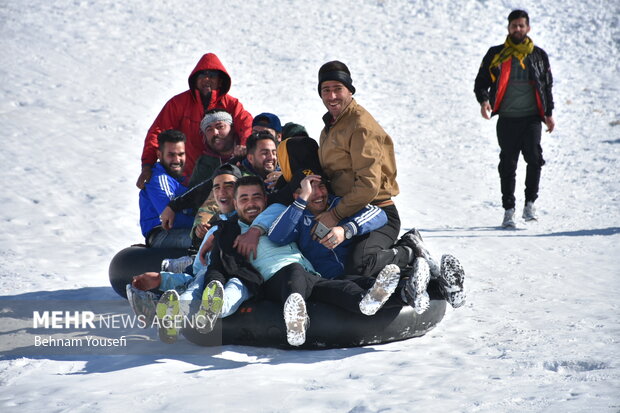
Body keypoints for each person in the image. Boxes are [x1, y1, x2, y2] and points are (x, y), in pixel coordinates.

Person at [158, 175, 401, 346]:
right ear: (235, 204)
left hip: (309, 275)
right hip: (276, 280)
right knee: (292, 272)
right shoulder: (229, 232)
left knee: (333, 288)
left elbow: (280, 221)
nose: (251, 203)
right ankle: (294, 321)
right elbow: (220, 265)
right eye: (244, 199)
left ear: (266, 199)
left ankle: (366, 301)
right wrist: (206, 253)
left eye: (256, 197)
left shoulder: (275, 215)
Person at [267, 174, 466, 312]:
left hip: (364, 265)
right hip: (338, 279)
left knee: (364, 266)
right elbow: (276, 236)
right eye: (310, 189)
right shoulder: (297, 216)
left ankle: (414, 255)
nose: (319, 193)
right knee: (375, 286)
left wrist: (346, 229)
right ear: (298, 194)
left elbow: (378, 214)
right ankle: (433, 284)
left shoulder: (339, 205)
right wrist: (302, 200)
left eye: (321, 186)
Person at [128, 164, 243, 341]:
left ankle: (171, 308)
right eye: (217, 187)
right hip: (208, 273)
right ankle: (168, 311)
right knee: (197, 282)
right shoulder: (216, 227)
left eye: (229, 186)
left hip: (237, 276)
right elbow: (200, 269)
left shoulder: (249, 220)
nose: (222, 192)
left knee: (206, 284)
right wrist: (161, 278)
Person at [315, 60, 401, 277]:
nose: (332, 96)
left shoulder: (360, 125)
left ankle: (408, 250)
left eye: (338, 89)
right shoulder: (332, 125)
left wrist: (334, 215)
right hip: (347, 210)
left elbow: (368, 186)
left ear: (350, 90)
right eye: (326, 90)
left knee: (360, 265)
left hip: (378, 211)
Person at [474, 9, 555, 228]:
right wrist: (484, 101)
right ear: (508, 28)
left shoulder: (538, 55)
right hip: (507, 118)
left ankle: (530, 204)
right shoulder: (496, 54)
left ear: (528, 28)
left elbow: (546, 86)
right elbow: (481, 81)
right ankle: (508, 210)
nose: (517, 29)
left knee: (535, 159)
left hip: (531, 118)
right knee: (508, 164)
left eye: (521, 25)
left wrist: (549, 114)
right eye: (514, 26)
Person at [136, 53, 253, 188]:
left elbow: (246, 123)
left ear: (220, 81)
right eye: (202, 75)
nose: (207, 79)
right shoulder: (178, 103)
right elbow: (157, 132)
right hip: (185, 178)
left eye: (212, 75)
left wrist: (245, 145)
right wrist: (147, 165)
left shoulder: (232, 104)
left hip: (226, 174)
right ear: (195, 79)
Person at [138, 129, 194, 249]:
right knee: (209, 241)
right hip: (162, 235)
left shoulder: (180, 180)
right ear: (159, 155)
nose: (177, 160)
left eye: (181, 154)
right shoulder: (158, 179)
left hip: (181, 231)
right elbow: (171, 220)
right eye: (171, 155)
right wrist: (203, 223)